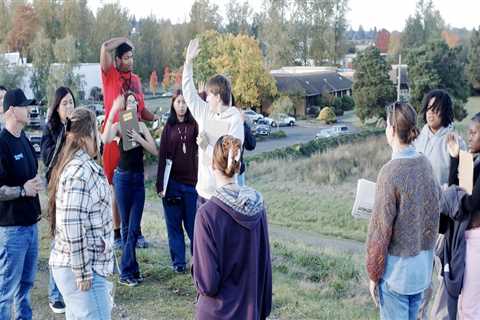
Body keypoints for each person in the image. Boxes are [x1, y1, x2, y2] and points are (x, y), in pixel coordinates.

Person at [366, 102, 441, 319]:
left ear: (391, 129)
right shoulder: (425, 163)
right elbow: (435, 209)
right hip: (422, 271)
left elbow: (380, 231)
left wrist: (373, 274)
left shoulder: (389, 173)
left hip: (396, 275)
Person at [192, 135, 272, 319]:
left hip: (218, 313)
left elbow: (207, 284)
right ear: (238, 165)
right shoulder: (258, 206)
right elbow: (265, 265)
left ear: (212, 166)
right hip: (251, 311)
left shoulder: (207, 214)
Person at [48, 107, 114, 319]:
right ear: (87, 136)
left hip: (81, 266)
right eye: (97, 130)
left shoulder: (79, 166)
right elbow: (72, 222)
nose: (100, 138)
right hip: (85, 270)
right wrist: (83, 271)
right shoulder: (80, 171)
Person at [100, 37, 157, 249]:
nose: (130, 60)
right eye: (126, 57)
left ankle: (136, 232)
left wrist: (157, 119)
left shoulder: (136, 80)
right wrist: (125, 39)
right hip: (115, 136)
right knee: (117, 187)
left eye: (132, 57)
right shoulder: (109, 75)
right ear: (117, 60)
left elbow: (142, 110)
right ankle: (117, 234)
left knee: (135, 183)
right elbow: (104, 47)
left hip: (133, 134)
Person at [413, 89, 465, 320]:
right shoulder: (418, 137)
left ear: (445, 112)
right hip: (417, 217)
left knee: (443, 275)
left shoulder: (454, 139)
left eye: (436, 110)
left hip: (444, 221)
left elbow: (465, 181)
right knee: (420, 276)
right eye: (428, 108)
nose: (430, 114)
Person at [102, 93, 157, 286]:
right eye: (129, 101)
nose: (133, 104)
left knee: (133, 227)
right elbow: (105, 138)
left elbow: (154, 150)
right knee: (127, 228)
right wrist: (113, 112)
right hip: (123, 179)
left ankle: (129, 270)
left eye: (135, 101)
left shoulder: (141, 126)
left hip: (138, 181)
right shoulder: (119, 126)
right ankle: (128, 272)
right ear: (125, 106)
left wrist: (139, 139)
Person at [182, 38, 244, 205]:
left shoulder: (234, 120)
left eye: (209, 94)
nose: (206, 98)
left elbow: (232, 160)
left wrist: (206, 147)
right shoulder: (204, 112)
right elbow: (189, 94)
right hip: (203, 193)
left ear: (217, 97)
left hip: (224, 196)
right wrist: (188, 63)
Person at [0, 88, 42, 319]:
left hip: (32, 225)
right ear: (12, 110)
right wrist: (22, 190)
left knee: (25, 287)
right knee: (5, 291)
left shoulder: (24, 138)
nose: (29, 109)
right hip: (13, 230)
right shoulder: (2, 143)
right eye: (24, 106)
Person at [439, 113, 480, 319]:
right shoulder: (475, 160)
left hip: (477, 240)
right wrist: (455, 157)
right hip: (468, 238)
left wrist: (455, 197)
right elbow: (457, 188)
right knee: (465, 304)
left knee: (469, 308)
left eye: (473, 133)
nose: (469, 137)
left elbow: (472, 201)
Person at [41, 86, 76, 314]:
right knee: (59, 242)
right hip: (56, 190)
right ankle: (55, 293)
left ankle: (69, 289)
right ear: (56, 107)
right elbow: (49, 159)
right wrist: (64, 132)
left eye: (72, 102)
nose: (69, 107)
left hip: (75, 189)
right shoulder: (51, 129)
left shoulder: (77, 128)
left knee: (74, 238)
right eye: (64, 103)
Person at [156, 89, 198, 273]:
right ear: (173, 104)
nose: (181, 105)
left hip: (191, 183)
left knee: (193, 225)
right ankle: (178, 263)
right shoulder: (168, 128)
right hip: (171, 183)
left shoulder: (195, 125)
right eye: (178, 102)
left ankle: (197, 260)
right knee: (174, 225)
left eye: (184, 102)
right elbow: (162, 156)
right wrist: (160, 184)